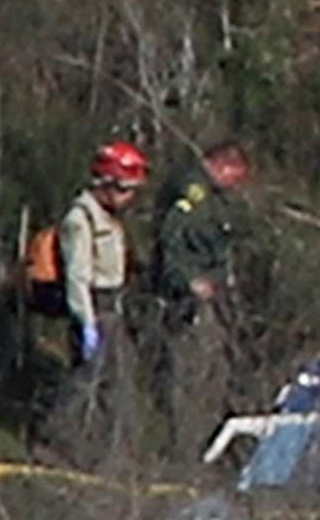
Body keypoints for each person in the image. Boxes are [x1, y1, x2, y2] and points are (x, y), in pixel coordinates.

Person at [45, 140, 149, 463]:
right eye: (125, 190)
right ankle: (54, 447)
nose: (130, 198)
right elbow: (78, 277)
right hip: (94, 309)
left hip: (113, 308)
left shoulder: (111, 218)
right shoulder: (80, 219)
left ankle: (110, 456)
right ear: (107, 185)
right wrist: (86, 323)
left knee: (118, 389)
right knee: (84, 384)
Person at [152, 140, 252, 456]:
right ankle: (182, 447)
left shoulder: (214, 198)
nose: (236, 186)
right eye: (236, 177)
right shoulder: (194, 192)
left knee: (211, 373)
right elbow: (173, 241)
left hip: (209, 300)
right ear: (226, 166)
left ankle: (205, 445)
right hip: (185, 302)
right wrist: (188, 282)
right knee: (185, 375)